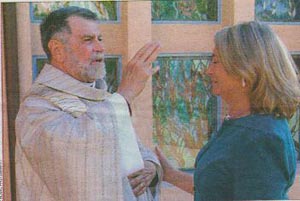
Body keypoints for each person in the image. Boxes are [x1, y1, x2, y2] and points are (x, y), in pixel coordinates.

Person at [15, 6, 162, 201]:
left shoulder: (101, 96)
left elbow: (132, 148)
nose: (100, 48)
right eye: (88, 40)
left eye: (100, 39)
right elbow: (77, 162)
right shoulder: (37, 107)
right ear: (58, 50)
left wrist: (151, 169)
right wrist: (124, 95)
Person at [155, 21, 300, 200]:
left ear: (244, 70)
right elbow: (218, 187)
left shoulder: (261, 138)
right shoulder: (241, 123)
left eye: (216, 61)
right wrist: (170, 174)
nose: (208, 71)